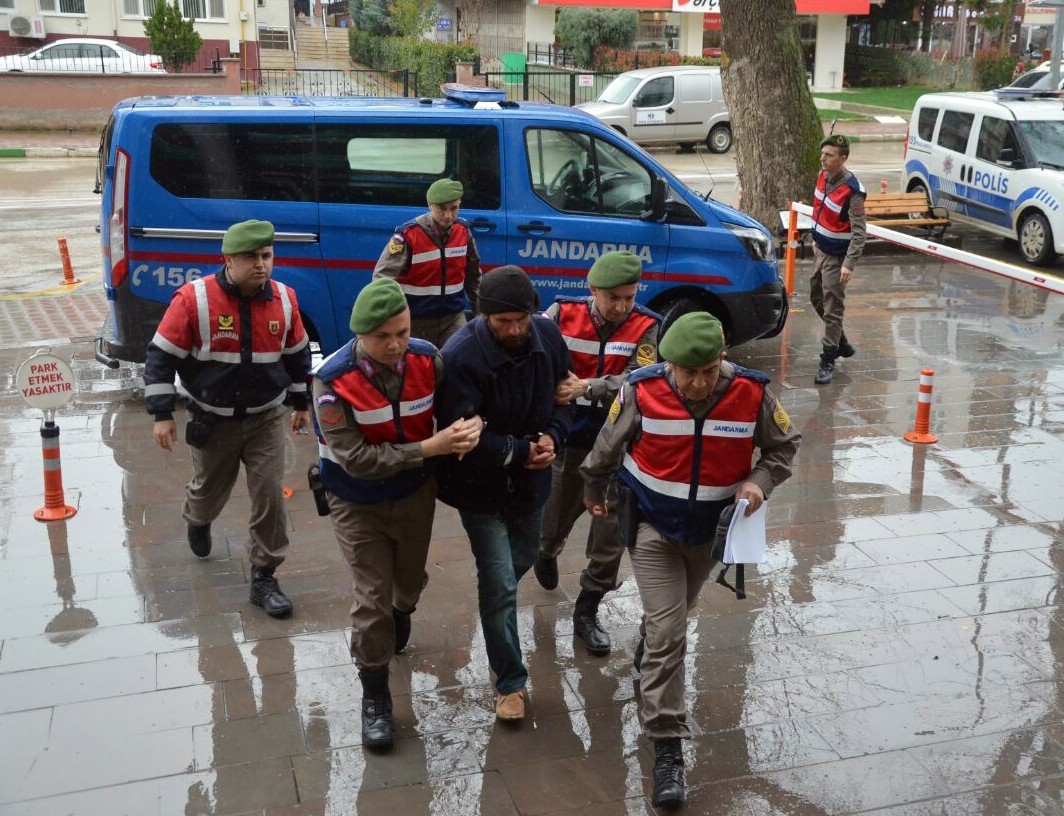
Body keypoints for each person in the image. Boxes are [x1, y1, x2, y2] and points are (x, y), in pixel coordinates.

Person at [580, 312, 799, 807]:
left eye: (709, 370)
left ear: (723, 359)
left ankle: (650, 651)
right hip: (653, 529)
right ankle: (667, 745)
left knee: (674, 619)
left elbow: (784, 447)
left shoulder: (752, 393)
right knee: (670, 630)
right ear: (668, 364)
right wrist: (594, 491)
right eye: (687, 372)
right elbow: (604, 450)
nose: (699, 383)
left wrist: (757, 484)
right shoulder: (640, 390)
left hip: (709, 537)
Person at [311, 278, 482, 749]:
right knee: (371, 599)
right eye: (382, 336)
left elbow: (459, 403)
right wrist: (432, 446)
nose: (395, 344)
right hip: (355, 498)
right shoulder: (331, 379)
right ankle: (375, 697)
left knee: (404, 585)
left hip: (412, 493)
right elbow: (359, 460)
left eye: (402, 332)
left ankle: (403, 608)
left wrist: (471, 423)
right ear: (359, 334)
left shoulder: (429, 358)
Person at [144, 219, 311, 618]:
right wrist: (162, 414)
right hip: (212, 420)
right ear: (227, 259)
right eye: (251, 257)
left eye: (266, 256)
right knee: (209, 492)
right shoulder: (193, 300)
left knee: (269, 495)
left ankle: (264, 576)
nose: (261, 264)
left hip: (265, 417)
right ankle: (197, 520)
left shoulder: (286, 300)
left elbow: (298, 356)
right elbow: (160, 357)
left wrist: (302, 404)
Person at [435, 265, 572, 722]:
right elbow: (457, 435)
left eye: (521, 320)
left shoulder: (548, 338)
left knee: (520, 562)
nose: (514, 330)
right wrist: (516, 449)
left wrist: (553, 436)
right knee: (499, 583)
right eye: (503, 323)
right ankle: (510, 681)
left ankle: (498, 604)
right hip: (479, 486)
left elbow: (562, 398)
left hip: (533, 482)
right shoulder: (459, 357)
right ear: (483, 317)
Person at [533, 250, 661, 658]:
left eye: (629, 295)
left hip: (616, 449)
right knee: (553, 520)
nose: (622, 306)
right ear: (593, 291)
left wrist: (589, 386)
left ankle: (588, 608)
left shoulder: (647, 325)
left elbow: (640, 379)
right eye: (613, 298)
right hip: (566, 445)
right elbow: (536, 359)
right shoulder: (560, 313)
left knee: (610, 537)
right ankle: (546, 551)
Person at [373, 178, 481, 347]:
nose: (448, 215)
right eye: (441, 209)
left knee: (457, 362)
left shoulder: (463, 231)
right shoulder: (408, 235)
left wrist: (480, 312)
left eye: (454, 209)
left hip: (453, 318)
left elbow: (473, 276)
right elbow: (382, 278)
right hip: (415, 320)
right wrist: (393, 316)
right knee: (419, 369)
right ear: (430, 205)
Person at [810, 133, 866, 386]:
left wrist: (849, 263)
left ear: (842, 159)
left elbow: (859, 231)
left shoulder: (853, 191)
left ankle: (828, 358)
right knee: (815, 297)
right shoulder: (822, 175)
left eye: (829, 155)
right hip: (820, 249)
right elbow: (819, 207)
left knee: (833, 308)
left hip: (837, 257)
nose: (822, 158)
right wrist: (814, 235)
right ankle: (841, 341)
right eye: (822, 153)